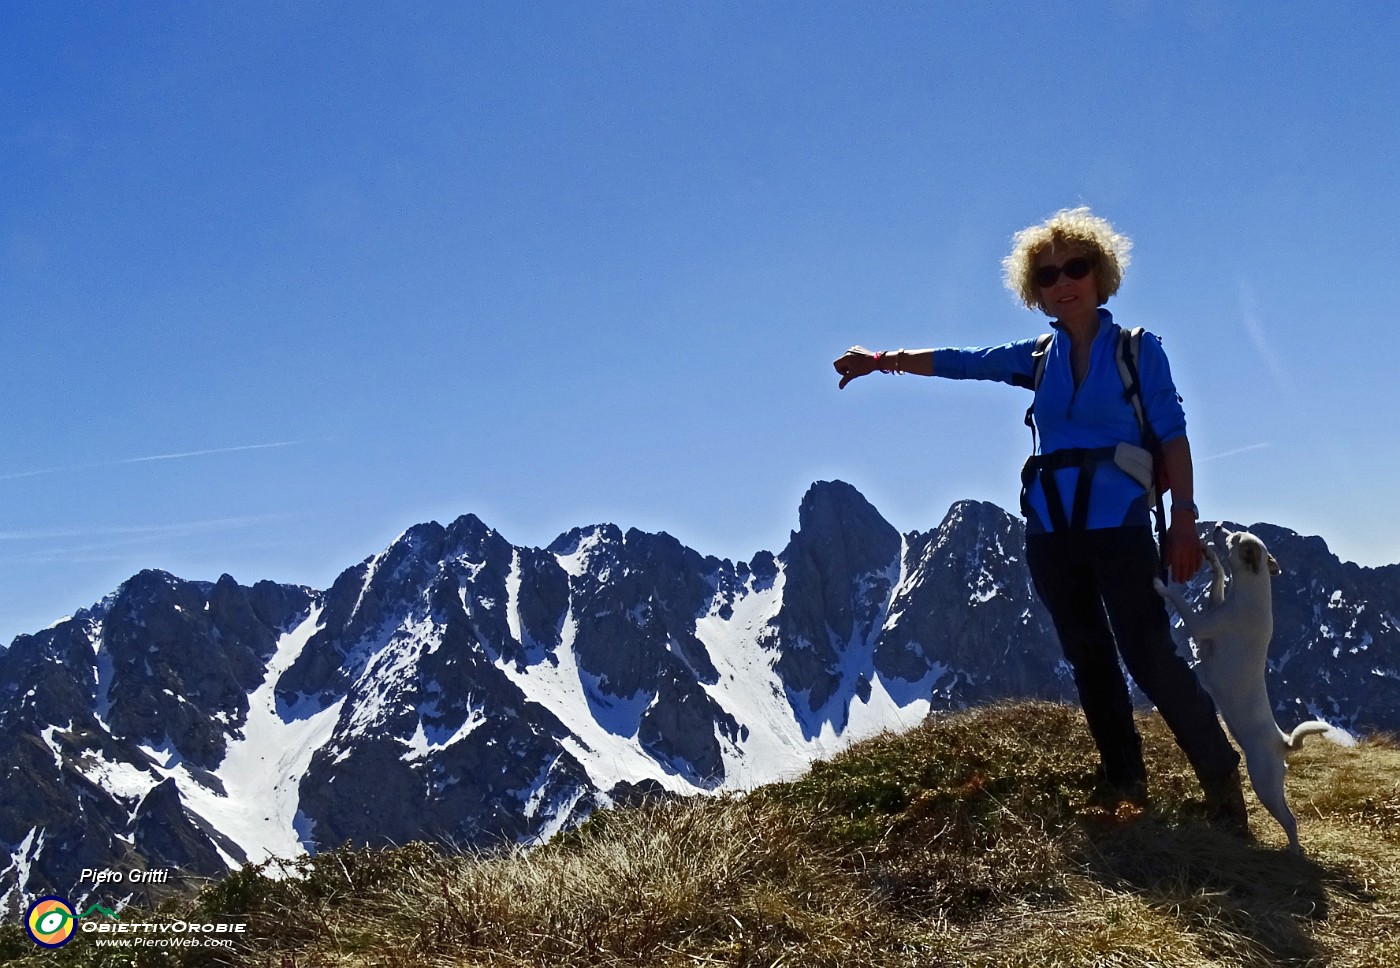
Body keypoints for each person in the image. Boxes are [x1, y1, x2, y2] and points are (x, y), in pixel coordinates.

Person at [832, 206, 1248, 832]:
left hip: (1121, 525)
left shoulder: (1138, 351)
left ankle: (1223, 791)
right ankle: (1122, 785)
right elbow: (960, 361)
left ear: (1101, 273)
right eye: (1048, 275)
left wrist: (1184, 520)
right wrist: (881, 360)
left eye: (1076, 267)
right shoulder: (1038, 357)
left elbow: (1174, 437)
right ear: (1036, 290)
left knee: (1149, 654)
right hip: (1052, 532)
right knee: (1088, 657)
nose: (1063, 282)